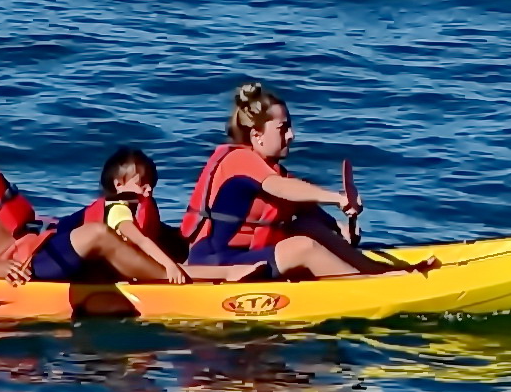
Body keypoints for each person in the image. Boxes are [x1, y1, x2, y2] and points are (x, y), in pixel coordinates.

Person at [0, 91, 180, 286]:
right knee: (97, 233)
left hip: (33, 246)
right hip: (21, 267)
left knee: (106, 210)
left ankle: (178, 252)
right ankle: (178, 279)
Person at [179, 82, 435, 279]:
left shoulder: (275, 171)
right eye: (283, 128)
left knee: (306, 225)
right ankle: (369, 286)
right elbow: (281, 188)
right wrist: (335, 197)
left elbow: (309, 212)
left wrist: (344, 229)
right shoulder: (239, 161)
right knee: (302, 247)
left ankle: (377, 272)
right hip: (215, 263)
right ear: (257, 136)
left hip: (247, 258)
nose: (292, 135)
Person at [53, 147, 188, 284]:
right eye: (141, 183)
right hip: (72, 251)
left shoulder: (135, 207)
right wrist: (169, 265)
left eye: (151, 184)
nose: (149, 189)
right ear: (118, 184)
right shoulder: (118, 210)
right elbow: (141, 240)